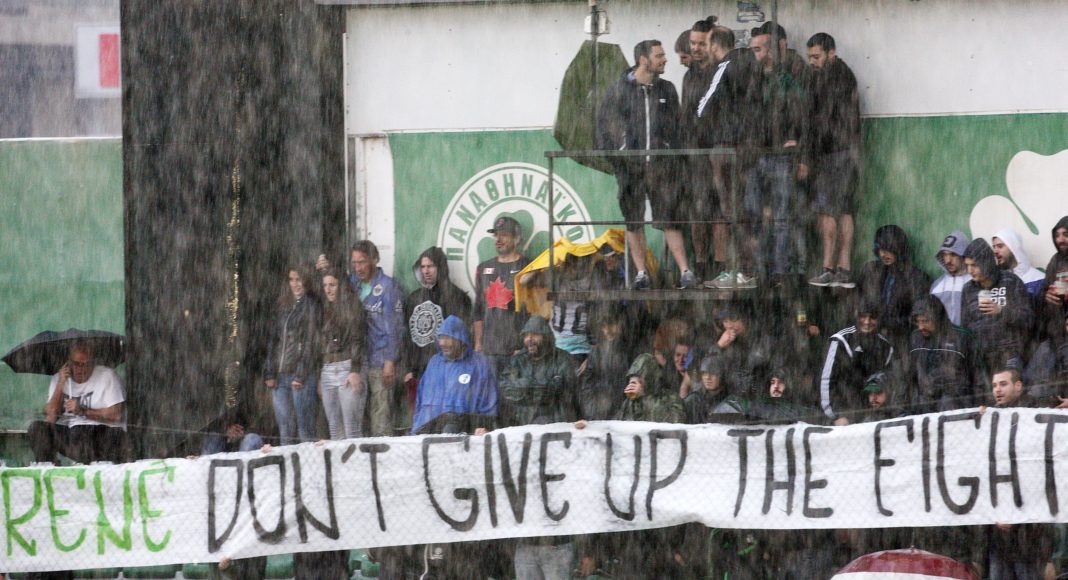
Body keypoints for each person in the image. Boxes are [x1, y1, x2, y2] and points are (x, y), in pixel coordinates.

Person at [598, 39, 697, 289]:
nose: (665, 59)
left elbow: (677, 128)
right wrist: (619, 158)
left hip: (662, 167)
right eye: (659, 55)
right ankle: (642, 274)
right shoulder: (618, 90)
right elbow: (605, 129)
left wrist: (673, 156)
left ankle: (685, 271)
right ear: (643, 60)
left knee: (670, 218)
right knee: (633, 220)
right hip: (630, 168)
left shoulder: (667, 89)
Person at [497, 315, 581, 580]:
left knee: (556, 494)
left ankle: (555, 538)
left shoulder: (563, 360)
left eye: (534, 335)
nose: (529, 340)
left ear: (546, 336)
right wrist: (540, 388)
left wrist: (528, 389)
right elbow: (507, 390)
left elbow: (562, 390)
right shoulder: (517, 362)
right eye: (526, 335)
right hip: (526, 447)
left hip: (557, 447)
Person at [743, 21, 808, 286]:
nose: (754, 55)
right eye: (753, 50)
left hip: (780, 154)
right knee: (756, 214)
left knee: (782, 217)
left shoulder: (786, 80)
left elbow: (802, 117)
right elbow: (748, 117)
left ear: (771, 50)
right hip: (758, 154)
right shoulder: (753, 80)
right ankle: (763, 269)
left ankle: (780, 271)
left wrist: (799, 149)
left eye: (758, 49)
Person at [700, 26, 759, 289]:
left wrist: (705, 127)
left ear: (715, 45)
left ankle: (739, 270)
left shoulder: (725, 66)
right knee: (744, 211)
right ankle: (748, 269)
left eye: (707, 44)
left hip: (727, 147)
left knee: (730, 210)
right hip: (750, 147)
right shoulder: (753, 65)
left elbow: (704, 106)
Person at [984, 367, 1054, 579]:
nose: (997, 390)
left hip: (1029, 538)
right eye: (994, 385)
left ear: (1018, 386)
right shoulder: (989, 419)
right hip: (999, 538)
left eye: (1003, 384)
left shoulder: (1036, 414)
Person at [803, 33, 861, 289]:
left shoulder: (833, 78)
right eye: (810, 57)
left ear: (831, 53)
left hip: (832, 153)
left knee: (826, 211)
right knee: (844, 210)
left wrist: (809, 153)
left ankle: (828, 267)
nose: (812, 62)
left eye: (816, 57)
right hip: (846, 151)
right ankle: (843, 268)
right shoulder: (843, 75)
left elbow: (822, 121)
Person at [28, 341, 126, 465]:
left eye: (86, 364)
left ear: (93, 363)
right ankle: (47, 468)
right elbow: (51, 416)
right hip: (75, 437)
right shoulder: (60, 378)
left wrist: (83, 411)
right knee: (38, 429)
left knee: (82, 431)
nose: (81, 369)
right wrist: (61, 383)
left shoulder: (107, 376)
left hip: (104, 435)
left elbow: (117, 415)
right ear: (68, 363)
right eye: (76, 364)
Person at [402, 246, 471, 416]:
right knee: (420, 421)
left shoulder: (457, 297)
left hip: (447, 371)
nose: (426, 271)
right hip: (418, 373)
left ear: (441, 267)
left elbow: (462, 338)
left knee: (446, 419)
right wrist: (408, 369)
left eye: (430, 266)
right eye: (423, 267)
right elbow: (406, 337)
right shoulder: (413, 298)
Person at [349, 240, 404, 437]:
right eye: (354, 263)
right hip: (358, 359)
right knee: (356, 416)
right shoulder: (352, 284)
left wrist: (390, 361)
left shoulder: (388, 286)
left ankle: (381, 451)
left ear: (374, 260)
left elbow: (396, 327)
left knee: (380, 415)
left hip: (380, 360)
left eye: (362, 262)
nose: (358, 268)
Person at [264, 264, 321, 445]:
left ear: (306, 281)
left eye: (299, 280)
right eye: (291, 280)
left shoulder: (312, 305)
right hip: (280, 376)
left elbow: (311, 342)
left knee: (305, 429)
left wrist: (301, 374)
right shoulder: (283, 304)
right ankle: (287, 463)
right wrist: (270, 372)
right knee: (285, 429)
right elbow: (273, 340)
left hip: (302, 375)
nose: (295, 284)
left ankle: (308, 463)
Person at [681, 16, 718, 280]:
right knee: (698, 211)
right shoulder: (689, 75)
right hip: (695, 153)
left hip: (719, 149)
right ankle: (703, 264)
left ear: (712, 43)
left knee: (721, 212)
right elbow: (686, 114)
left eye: (700, 43)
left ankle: (721, 265)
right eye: (692, 43)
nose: (695, 48)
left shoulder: (721, 71)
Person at [819, 298, 895, 425]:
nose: (867, 322)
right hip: (844, 414)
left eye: (872, 317)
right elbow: (827, 381)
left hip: (874, 416)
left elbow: (888, 382)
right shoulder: (841, 340)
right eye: (863, 316)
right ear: (856, 315)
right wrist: (836, 415)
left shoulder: (886, 346)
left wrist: (883, 409)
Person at [961, 238, 1033, 372]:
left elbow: (1028, 319)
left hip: (1011, 355)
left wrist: (1001, 310)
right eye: (967, 265)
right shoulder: (968, 289)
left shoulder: (1011, 281)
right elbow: (965, 327)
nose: (970, 270)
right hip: (981, 359)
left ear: (986, 262)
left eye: (974, 265)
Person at [856, 224, 932, 352]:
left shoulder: (916, 278)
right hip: (869, 338)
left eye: (888, 250)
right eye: (880, 249)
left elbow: (917, 317)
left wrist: (887, 322)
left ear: (899, 250)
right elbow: (857, 302)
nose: (883, 254)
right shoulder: (870, 271)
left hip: (900, 341)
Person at [906, 295, 985, 414]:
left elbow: (979, 376)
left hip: (957, 406)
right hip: (925, 406)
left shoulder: (962, 337)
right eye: (918, 321)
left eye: (925, 321)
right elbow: (910, 376)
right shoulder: (915, 338)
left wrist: (978, 405)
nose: (921, 326)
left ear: (938, 318)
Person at [473, 215, 531, 372]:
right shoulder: (483, 268)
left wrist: (525, 345)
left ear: (516, 239)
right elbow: (478, 310)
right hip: (489, 351)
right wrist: (478, 343)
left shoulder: (528, 266)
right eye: (496, 235)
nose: (498, 239)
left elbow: (535, 311)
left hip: (517, 350)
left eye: (504, 235)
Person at [319, 268, 368, 440]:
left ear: (341, 285)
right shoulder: (324, 307)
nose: (328, 289)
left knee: (351, 429)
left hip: (348, 365)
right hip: (327, 368)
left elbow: (358, 339)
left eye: (332, 285)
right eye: (325, 285)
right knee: (334, 430)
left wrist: (355, 370)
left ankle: (354, 460)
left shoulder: (353, 305)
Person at [930, 230, 972, 326]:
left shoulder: (974, 282)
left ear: (964, 256)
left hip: (968, 334)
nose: (948, 260)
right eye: (945, 255)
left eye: (953, 254)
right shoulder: (937, 286)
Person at [1038, 216, 1068, 341]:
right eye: (1057, 235)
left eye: (1066, 234)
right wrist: (1046, 295)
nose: (1060, 240)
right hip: (1056, 332)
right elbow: (1044, 290)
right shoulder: (1055, 260)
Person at [992, 228, 1045, 297]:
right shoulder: (994, 280)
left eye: (1000, 246)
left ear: (1013, 247)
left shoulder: (1039, 279)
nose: (995, 251)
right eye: (994, 247)